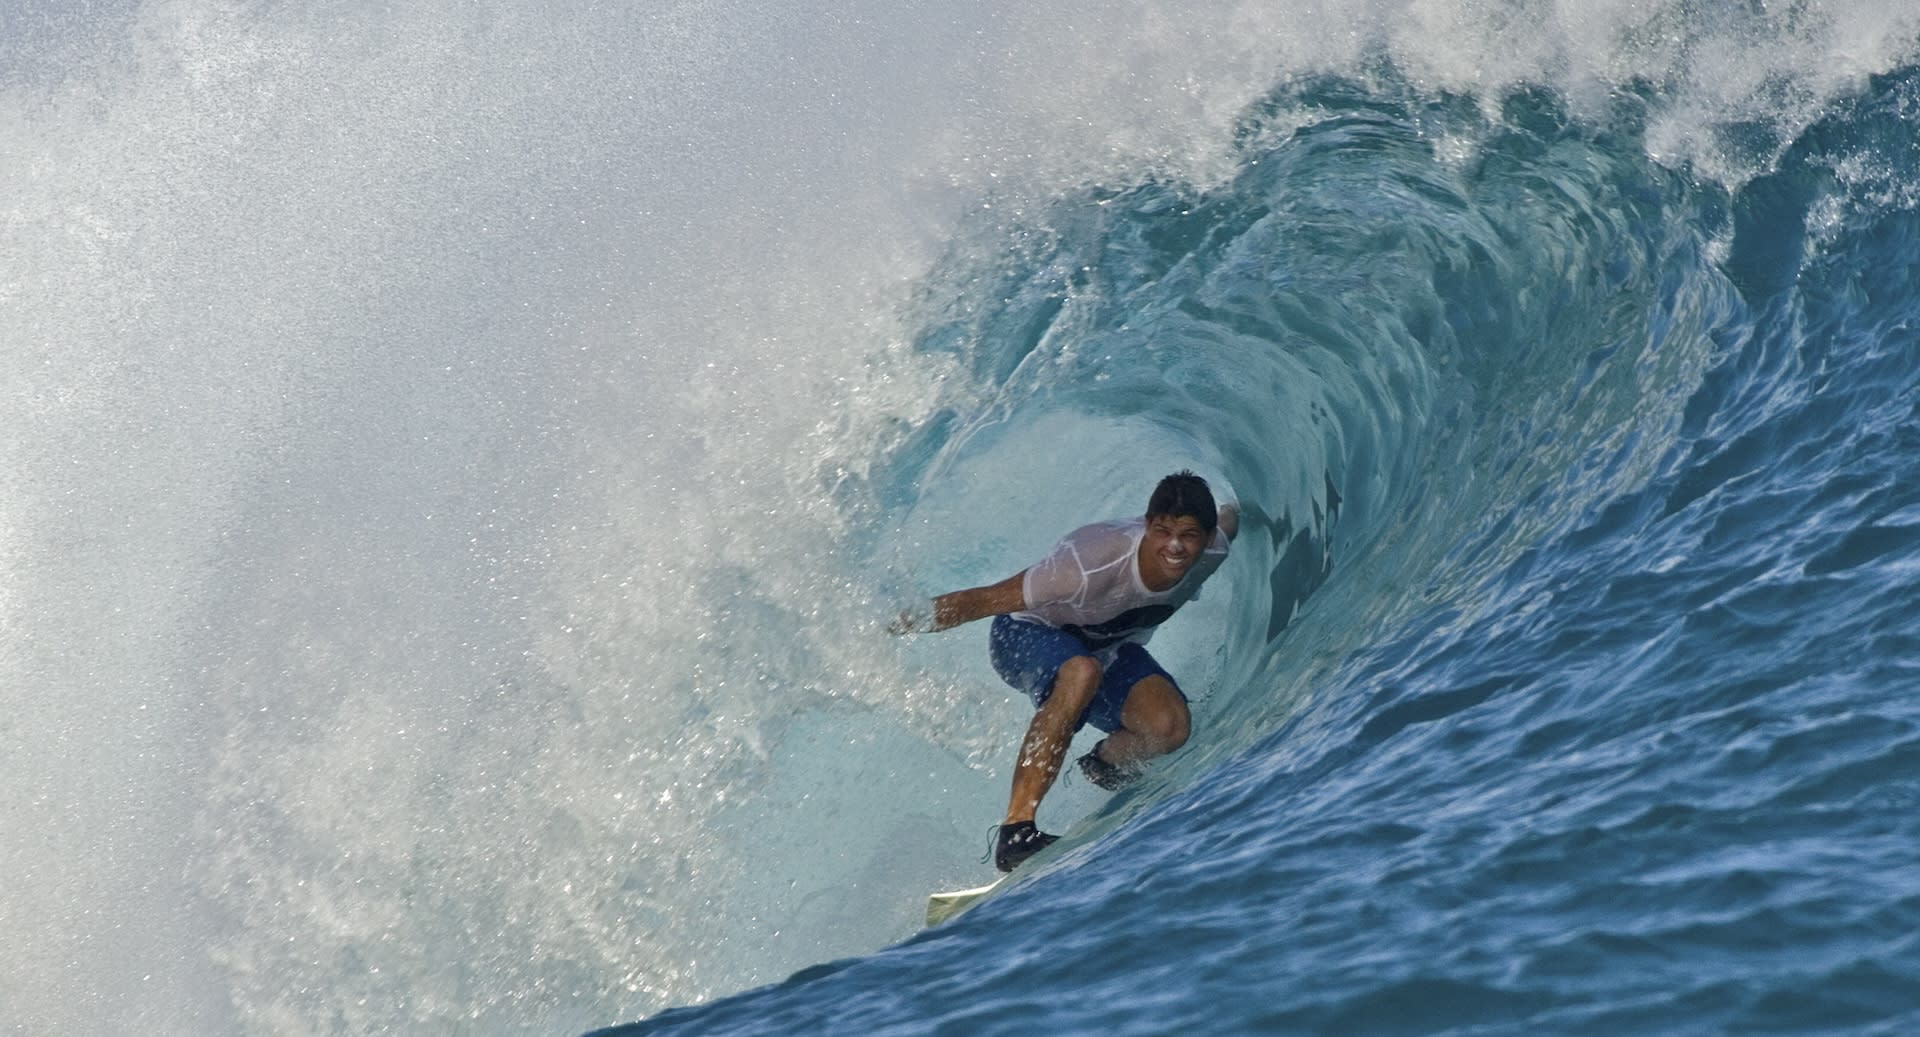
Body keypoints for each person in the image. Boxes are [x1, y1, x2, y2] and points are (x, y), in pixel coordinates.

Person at [890, 471, 1238, 872]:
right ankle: (1017, 831)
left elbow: (1231, 516)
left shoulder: (1215, 550)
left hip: (1106, 648)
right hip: (1023, 633)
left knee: (1169, 727)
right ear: (1147, 526)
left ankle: (1104, 765)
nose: (1174, 546)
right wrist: (891, 627)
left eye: (1189, 535)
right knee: (1080, 672)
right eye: (1163, 531)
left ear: (1208, 538)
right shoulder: (1087, 565)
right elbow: (982, 601)